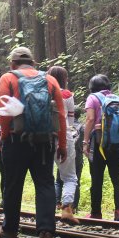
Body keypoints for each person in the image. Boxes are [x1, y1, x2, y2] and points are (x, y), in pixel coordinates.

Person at [0, 46, 66, 238]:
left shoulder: (8, 78)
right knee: (45, 184)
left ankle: (9, 231)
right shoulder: (50, 80)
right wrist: (62, 144)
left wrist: (5, 137)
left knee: (13, 185)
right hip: (44, 142)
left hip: (16, 141)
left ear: (13, 63)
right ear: (33, 62)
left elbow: (4, 112)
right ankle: (46, 231)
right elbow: (59, 114)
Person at [82, 74, 119, 221]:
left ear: (92, 87)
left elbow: (89, 119)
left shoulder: (92, 98)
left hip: (98, 143)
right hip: (117, 143)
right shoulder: (117, 98)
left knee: (97, 178)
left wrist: (85, 141)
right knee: (118, 178)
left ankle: (96, 213)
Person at [48, 66, 78, 224]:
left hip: (45, 137)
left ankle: (47, 209)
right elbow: (71, 122)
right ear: (64, 79)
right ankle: (67, 208)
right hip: (64, 136)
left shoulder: (44, 93)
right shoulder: (67, 95)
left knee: (46, 177)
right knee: (69, 177)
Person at [56, 107, 85, 213]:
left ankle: (57, 203)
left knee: (59, 181)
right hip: (77, 156)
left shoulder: (64, 124)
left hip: (62, 152)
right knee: (74, 180)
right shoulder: (82, 127)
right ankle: (73, 207)